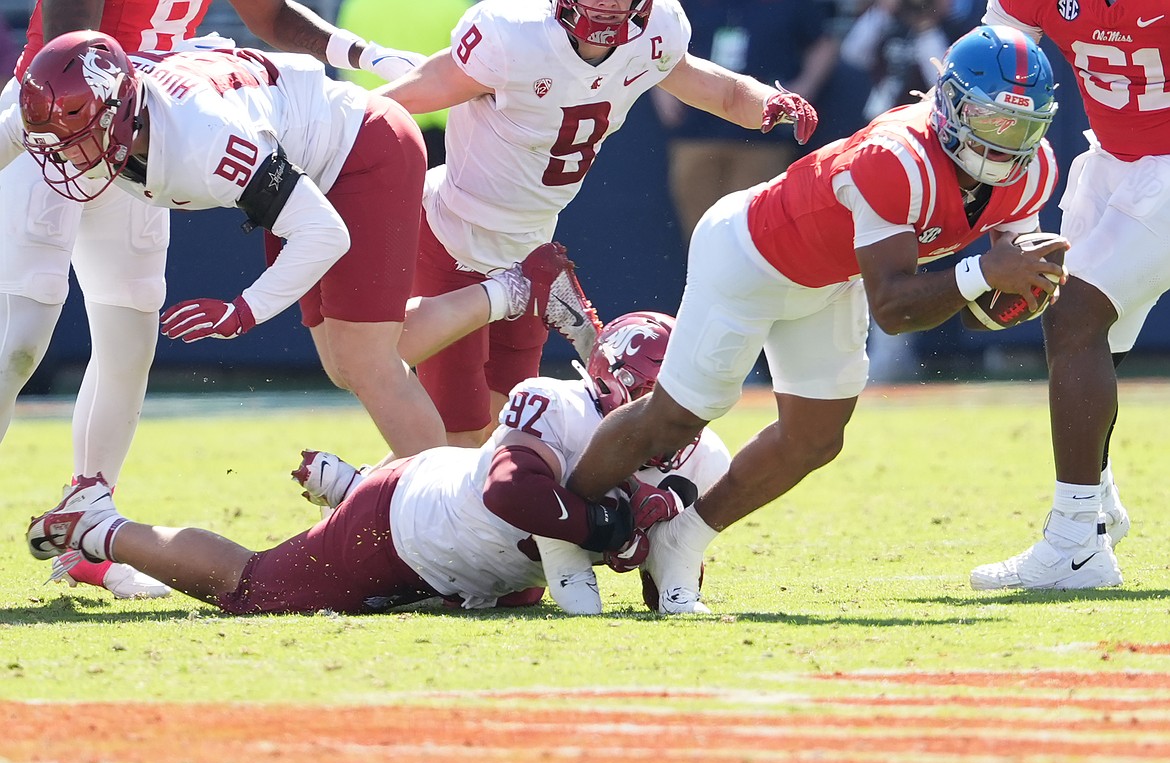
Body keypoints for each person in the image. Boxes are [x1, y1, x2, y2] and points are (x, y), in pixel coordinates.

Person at [3, 32, 587, 595]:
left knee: (370, 363)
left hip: (362, 153)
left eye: (76, 141)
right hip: (305, 159)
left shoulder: (203, 142)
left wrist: (243, 311)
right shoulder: (77, 110)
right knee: (345, 362)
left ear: (120, 114)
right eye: (54, 141)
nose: (66, 159)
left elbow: (321, 231)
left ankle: (446, 524)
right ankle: (512, 296)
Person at [565, 26, 1068, 613]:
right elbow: (895, 307)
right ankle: (564, 535)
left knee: (814, 439)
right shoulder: (896, 155)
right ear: (952, 104)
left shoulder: (1032, 171)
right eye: (991, 120)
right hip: (750, 257)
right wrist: (986, 274)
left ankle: (682, 539)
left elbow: (987, 302)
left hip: (831, 279)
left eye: (1024, 127)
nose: (1006, 144)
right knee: (675, 420)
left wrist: (1014, 291)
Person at [0, 0, 427, 598]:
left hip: (140, 123)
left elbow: (274, 16)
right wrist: (77, 126)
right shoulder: (76, 111)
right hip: (67, 109)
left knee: (130, 339)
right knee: (18, 338)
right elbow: (72, 51)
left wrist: (368, 55)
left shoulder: (202, 139)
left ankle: (89, 525)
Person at [26, 312, 732, 616]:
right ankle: (100, 527)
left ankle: (345, 482)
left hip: (492, 568)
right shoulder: (559, 403)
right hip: (409, 529)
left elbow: (661, 577)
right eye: (645, 406)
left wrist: (660, 550)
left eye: (675, 406)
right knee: (253, 590)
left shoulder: (703, 453)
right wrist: (612, 528)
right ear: (605, 391)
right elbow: (512, 491)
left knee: (520, 596)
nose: (663, 427)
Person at [378, 0, 819, 447]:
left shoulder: (654, 32)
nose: (609, 3)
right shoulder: (513, 32)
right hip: (454, 234)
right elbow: (426, 86)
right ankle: (353, 491)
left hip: (530, 247)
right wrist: (345, 125)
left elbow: (715, 89)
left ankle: (530, 291)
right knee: (453, 438)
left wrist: (766, 101)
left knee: (505, 433)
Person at [969, 0, 1170, 590]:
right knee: (1071, 322)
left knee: (1076, 316)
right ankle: (1095, 509)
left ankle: (1076, 542)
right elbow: (996, 59)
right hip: (1114, 161)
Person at [652, 0, 840, 241]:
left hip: (763, 135)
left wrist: (804, 87)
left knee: (755, 231)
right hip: (697, 127)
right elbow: (655, 38)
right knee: (699, 232)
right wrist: (661, 87)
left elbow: (823, 42)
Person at [334, 0, 473, 166]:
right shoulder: (456, 6)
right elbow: (469, 71)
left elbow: (345, 65)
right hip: (440, 129)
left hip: (372, 124)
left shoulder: (355, 5)